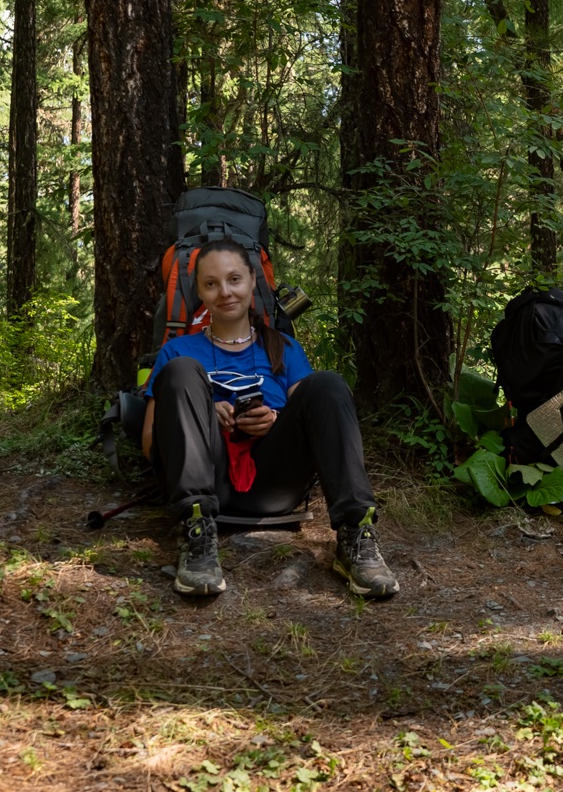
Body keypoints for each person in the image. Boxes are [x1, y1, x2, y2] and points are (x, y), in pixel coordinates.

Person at [141, 238, 399, 598]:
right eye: (211, 283)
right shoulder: (177, 350)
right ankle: (197, 537)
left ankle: (356, 536)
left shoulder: (284, 347)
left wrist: (274, 419)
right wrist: (200, 416)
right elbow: (151, 441)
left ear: (252, 281)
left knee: (327, 383)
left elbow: (310, 418)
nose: (225, 292)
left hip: (273, 484)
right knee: (183, 371)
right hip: (206, 478)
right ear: (199, 291)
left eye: (234, 279)